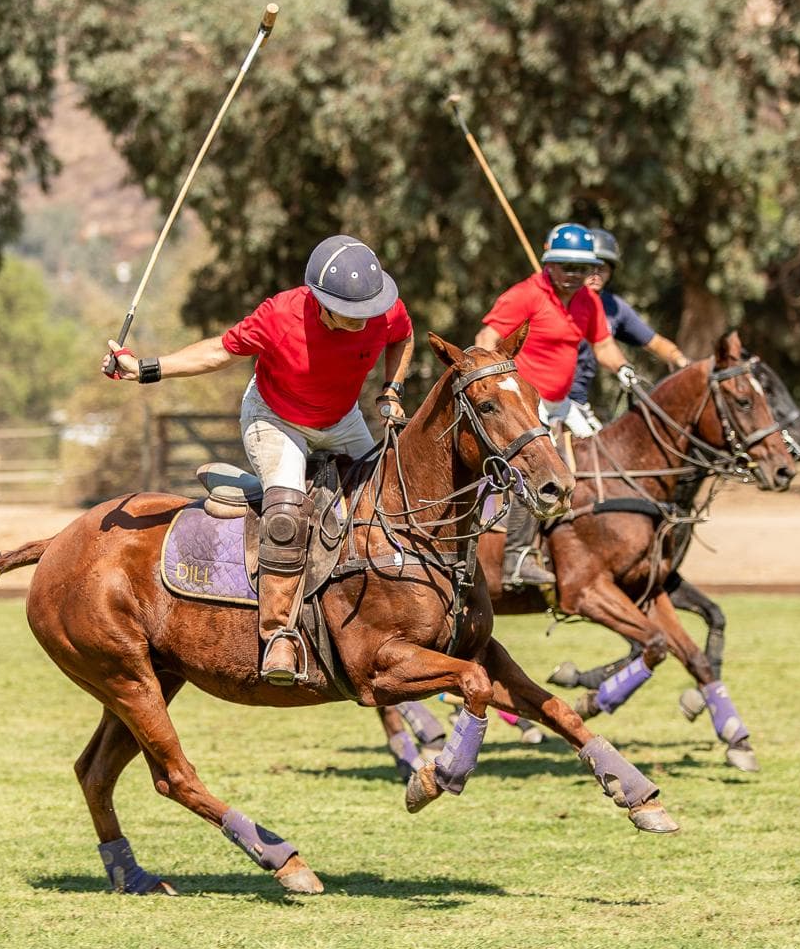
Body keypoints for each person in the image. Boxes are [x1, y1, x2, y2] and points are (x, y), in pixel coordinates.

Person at [104, 234, 414, 680]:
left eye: (368, 312)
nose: (363, 322)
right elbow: (217, 352)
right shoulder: (281, 315)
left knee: (389, 491)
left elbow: (402, 338)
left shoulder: (380, 309)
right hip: (275, 416)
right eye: (350, 315)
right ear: (320, 301)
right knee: (287, 511)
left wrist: (392, 388)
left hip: (341, 417)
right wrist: (146, 368)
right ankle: (279, 637)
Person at [473, 222, 638, 586]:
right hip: (528, 405)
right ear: (549, 264)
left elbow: (604, 345)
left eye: (583, 269)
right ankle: (516, 557)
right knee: (539, 467)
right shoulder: (525, 295)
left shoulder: (588, 302)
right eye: (567, 267)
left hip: (565, 404)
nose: (575, 275)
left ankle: (586, 547)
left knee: (604, 463)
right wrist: (493, 378)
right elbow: (488, 336)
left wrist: (625, 370)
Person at [566, 227, 688, 435]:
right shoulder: (560, 298)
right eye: (590, 267)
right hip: (543, 394)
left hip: (578, 401)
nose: (596, 275)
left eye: (603, 268)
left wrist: (684, 362)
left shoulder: (614, 307)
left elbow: (655, 342)